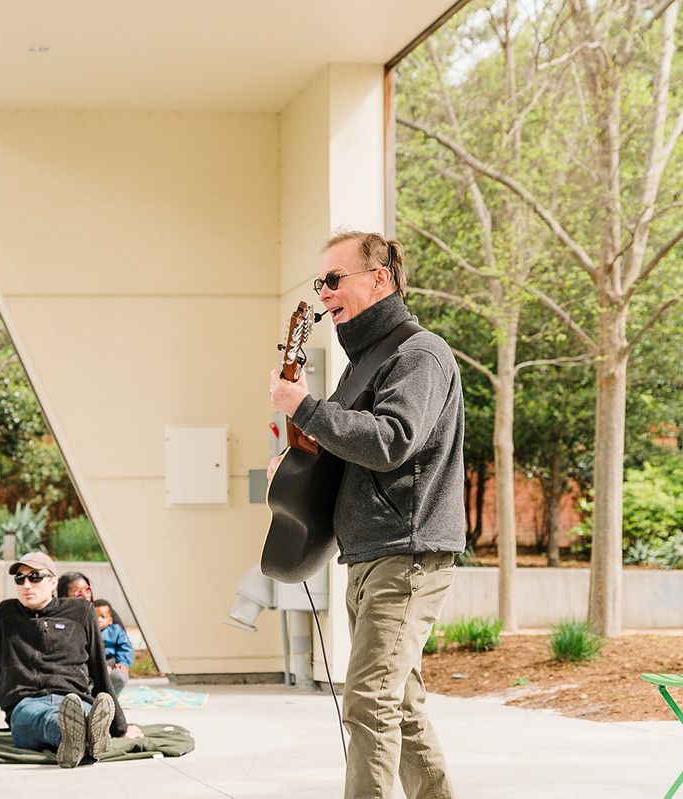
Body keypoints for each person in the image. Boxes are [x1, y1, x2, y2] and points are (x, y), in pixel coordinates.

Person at [268, 231, 464, 799]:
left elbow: (392, 441)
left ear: (380, 279)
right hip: (370, 554)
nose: (324, 292)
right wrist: (304, 419)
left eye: (334, 279)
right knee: (398, 705)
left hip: (405, 554)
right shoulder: (364, 364)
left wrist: (305, 406)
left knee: (369, 701)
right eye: (320, 282)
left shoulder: (419, 354)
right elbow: (343, 449)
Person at [0, 552, 143, 768]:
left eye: (35, 577)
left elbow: (98, 669)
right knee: (48, 720)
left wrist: (120, 726)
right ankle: (82, 737)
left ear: (53, 581)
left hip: (75, 697)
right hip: (26, 704)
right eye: (20, 578)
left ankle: (84, 735)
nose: (27, 585)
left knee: (84, 712)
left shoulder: (81, 611)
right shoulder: (7, 614)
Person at [93, 599, 132, 694]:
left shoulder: (116, 631)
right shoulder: (88, 632)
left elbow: (125, 647)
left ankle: (113, 695)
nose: (99, 619)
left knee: (119, 676)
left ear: (110, 620)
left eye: (103, 617)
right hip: (95, 665)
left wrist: (123, 662)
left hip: (113, 663)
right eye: (95, 616)